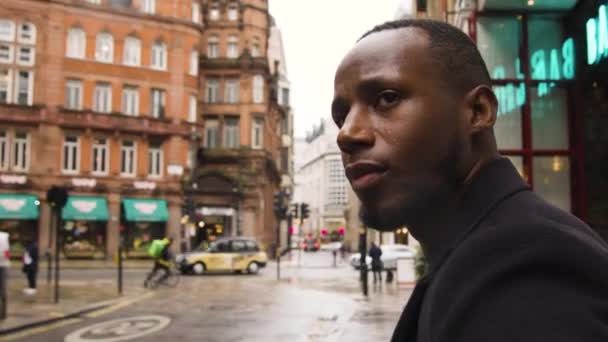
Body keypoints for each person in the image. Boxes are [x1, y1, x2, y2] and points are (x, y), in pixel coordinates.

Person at [332, 18, 608, 342]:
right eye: (342, 116)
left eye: (387, 98)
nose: (347, 134)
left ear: (478, 111)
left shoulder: (523, 268)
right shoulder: (473, 255)